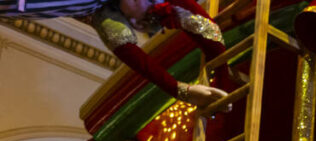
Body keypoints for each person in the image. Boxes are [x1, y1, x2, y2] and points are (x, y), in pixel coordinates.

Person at [1, 0, 230, 108]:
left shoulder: (99, 8)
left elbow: (130, 53)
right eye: (146, 15)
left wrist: (183, 90)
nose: (131, 21)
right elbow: (195, 16)